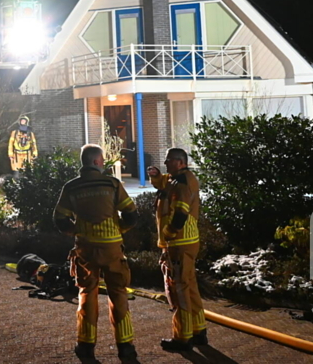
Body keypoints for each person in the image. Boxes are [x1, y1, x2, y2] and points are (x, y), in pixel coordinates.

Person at [53, 144, 139, 364]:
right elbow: (131, 213)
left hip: (86, 248)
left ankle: (86, 346)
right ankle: (126, 347)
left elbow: (59, 218)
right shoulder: (112, 184)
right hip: (112, 248)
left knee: (87, 293)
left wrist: (76, 231)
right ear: (97, 162)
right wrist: (120, 229)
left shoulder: (71, 187)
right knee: (118, 293)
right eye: (102, 160)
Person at [146, 148, 208, 352]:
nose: (165, 163)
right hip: (188, 242)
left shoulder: (181, 184)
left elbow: (180, 214)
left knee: (177, 290)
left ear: (181, 162)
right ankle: (199, 331)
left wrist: (169, 233)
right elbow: (165, 185)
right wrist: (155, 178)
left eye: (169, 160)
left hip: (178, 244)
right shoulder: (179, 178)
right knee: (189, 287)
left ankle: (182, 337)